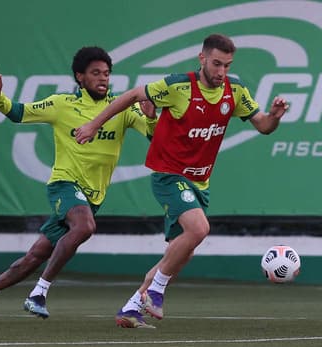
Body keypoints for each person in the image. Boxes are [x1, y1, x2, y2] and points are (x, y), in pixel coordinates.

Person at [75, 34, 289, 328]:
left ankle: (133, 306)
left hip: (199, 182)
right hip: (168, 173)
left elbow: (263, 126)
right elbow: (133, 96)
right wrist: (92, 124)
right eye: (216, 64)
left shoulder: (235, 91)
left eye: (227, 65)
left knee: (180, 253)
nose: (221, 72)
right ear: (202, 59)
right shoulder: (178, 86)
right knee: (200, 229)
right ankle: (156, 290)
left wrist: (275, 117)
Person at [0, 46, 157, 325]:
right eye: (95, 73)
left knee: (33, 257)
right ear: (80, 76)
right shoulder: (62, 104)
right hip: (64, 184)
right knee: (85, 227)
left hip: (92, 197)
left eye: (107, 74)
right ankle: (39, 293)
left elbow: (153, 136)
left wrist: (150, 115)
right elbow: (18, 112)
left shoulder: (121, 108)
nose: (103, 79)